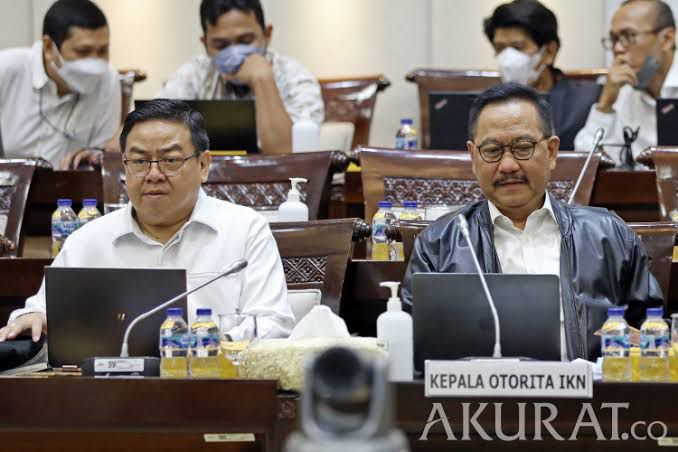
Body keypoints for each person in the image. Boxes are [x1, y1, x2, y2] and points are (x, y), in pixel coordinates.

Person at [401, 83, 662, 361]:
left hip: (592, 388)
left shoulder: (607, 235)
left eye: (523, 147)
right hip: (480, 390)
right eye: (492, 150)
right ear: (473, 157)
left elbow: (654, 330)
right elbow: (415, 350)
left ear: (551, 152)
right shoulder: (439, 244)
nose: (508, 165)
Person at [0, 99, 295, 343]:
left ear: (203, 165)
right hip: (107, 391)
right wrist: (32, 317)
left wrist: (209, 342)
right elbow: (39, 310)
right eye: (140, 161)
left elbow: (274, 325)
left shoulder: (244, 230)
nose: (154, 174)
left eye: (170, 160)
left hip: (214, 383)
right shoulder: (89, 239)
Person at [157, 0, 324, 155]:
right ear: (205, 44)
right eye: (221, 45)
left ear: (267, 35)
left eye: (245, 41)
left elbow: (286, 155)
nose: (234, 53)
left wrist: (262, 80)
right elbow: (154, 134)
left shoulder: (295, 77)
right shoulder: (193, 74)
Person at [0, 0, 121, 170]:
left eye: (102, 51)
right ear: (49, 47)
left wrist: (96, 156)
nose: (95, 64)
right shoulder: (7, 69)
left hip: (74, 183)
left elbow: (103, 153)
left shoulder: (108, 80)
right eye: (83, 51)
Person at [483, 0, 602, 150]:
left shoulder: (587, 100)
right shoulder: (487, 105)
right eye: (499, 48)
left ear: (549, 52)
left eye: (518, 47)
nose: (507, 59)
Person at [575, 0, 677, 167]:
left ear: (667, 39)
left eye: (628, 36)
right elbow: (584, 165)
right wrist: (605, 105)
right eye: (614, 39)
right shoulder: (622, 91)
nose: (617, 48)